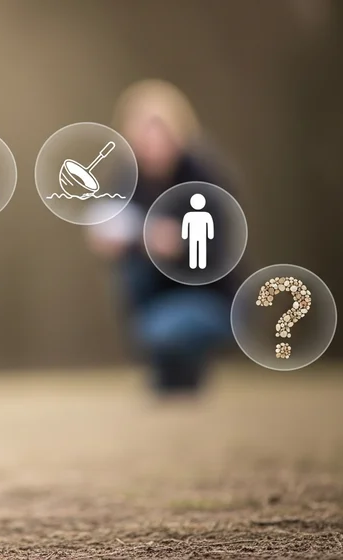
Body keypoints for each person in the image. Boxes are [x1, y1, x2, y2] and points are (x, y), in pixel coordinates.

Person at [87, 79, 239, 397]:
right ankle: (169, 370)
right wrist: (126, 240)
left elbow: (220, 255)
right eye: (143, 131)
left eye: (159, 129)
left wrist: (181, 243)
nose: (151, 140)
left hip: (209, 297)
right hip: (155, 297)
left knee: (162, 330)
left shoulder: (204, 179)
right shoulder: (127, 179)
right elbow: (113, 228)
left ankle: (178, 359)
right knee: (134, 277)